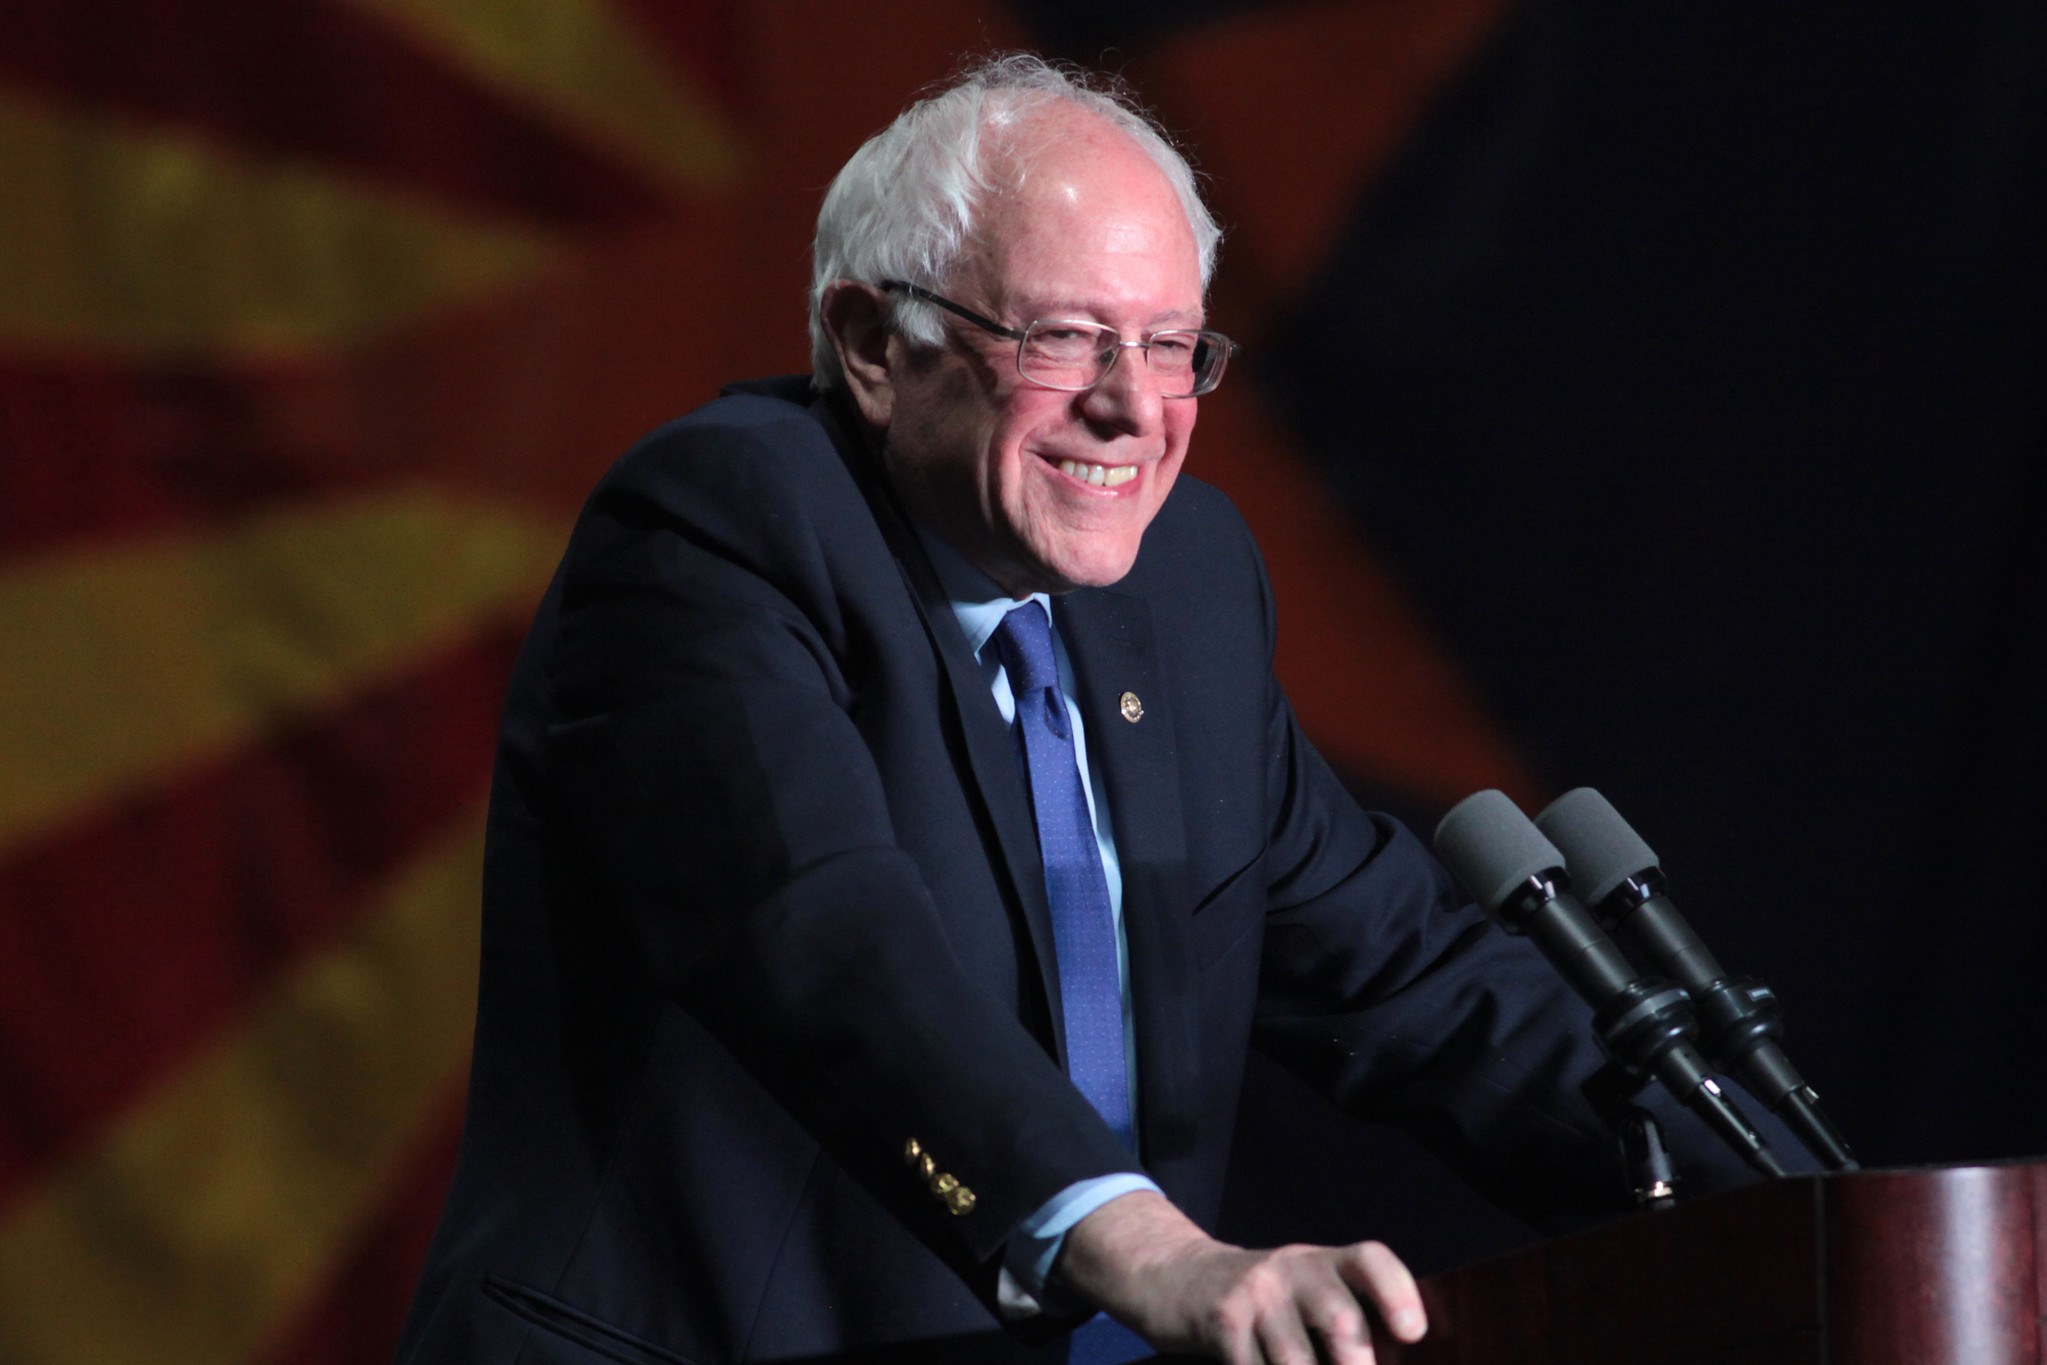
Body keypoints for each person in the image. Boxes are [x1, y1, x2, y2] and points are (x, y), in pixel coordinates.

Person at [395, 55, 1786, 1365]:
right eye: (1066, 337)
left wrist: (1795, 1218)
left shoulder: (1179, 588)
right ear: (875, 342)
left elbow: (1412, 981)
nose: (1135, 409)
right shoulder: (717, 531)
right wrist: (1152, 1250)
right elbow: (825, 936)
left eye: (1173, 345)